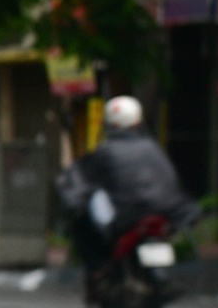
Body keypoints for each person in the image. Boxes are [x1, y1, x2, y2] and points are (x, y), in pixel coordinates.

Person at [62, 95, 193, 269]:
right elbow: (172, 183)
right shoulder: (153, 149)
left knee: (85, 217)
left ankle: (99, 268)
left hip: (125, 220)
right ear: (138, 120)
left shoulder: (105, 152)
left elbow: (78, 183)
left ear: (109, 123)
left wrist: (73, 204)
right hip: (163, 216)